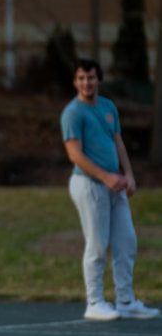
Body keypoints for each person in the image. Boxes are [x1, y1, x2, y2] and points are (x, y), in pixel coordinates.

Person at [60, 58, 159, 321]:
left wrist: (128, 175)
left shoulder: (107, 107)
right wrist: (105, 177)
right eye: (81, 78)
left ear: (99, 80)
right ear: (75, 82)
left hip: (115, 184)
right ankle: (95, 302)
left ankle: (125, 300)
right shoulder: (73, 113)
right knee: (98, 244)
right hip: (89, 184)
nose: (86, 83)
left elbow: (118, 143)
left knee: (126, 241)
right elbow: (74, 154)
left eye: (91, 77)